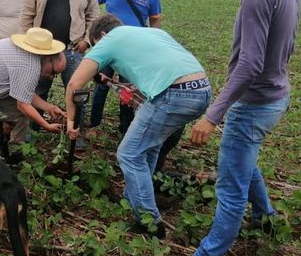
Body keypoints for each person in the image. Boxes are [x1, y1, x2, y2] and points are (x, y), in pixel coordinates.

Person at [161, 0, 301, 256]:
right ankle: (266, 219)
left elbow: (250, 63)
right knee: (245, 161)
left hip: (254, 103)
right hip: (276, 95)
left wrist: (213, 114)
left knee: (230, 185)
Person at [65, 15, 212, 237]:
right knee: (149, 147)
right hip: (201, 90)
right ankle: (133, 196)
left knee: (129, 154)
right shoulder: (152, 32)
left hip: (174, 94)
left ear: (102, 36)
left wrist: (69, 120)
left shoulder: (109, 39)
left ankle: (149, 224)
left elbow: (75, 83)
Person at [89, 0, 181, 172]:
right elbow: (92, 3)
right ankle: (94, 123)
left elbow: (155, 20)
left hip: (134, 54)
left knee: (128, 92)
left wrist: (153, 45)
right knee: (100, 85)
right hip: (111, 47)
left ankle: (126, 130)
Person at [19, 0, 100, 138]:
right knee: (37, 89)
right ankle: (33, 132)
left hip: (72, 49)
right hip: (41, 49)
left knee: (76, 93)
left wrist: (87, 41)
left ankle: (75, 134)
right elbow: (27, 13)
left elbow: (94, 16)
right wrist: (26, 43)